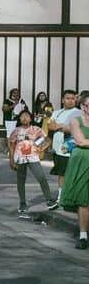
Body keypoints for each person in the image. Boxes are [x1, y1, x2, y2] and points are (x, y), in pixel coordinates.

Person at [7, 109, 58, 218]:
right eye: (22, 116)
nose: (25, 118)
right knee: (21, 180)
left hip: (33, 157)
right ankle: (22, 203)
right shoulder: (16, 131)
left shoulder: (36, 129)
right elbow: (11, 146)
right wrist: (11, 160)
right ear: (19, 118)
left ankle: (49, 201)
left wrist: (42, 148)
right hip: (19, 158)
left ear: (31, 118)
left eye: (27, 116)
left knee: (41, 178)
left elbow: (48, 140)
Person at [58, 91, 89, 249]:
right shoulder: (76, 121)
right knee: (83, 198)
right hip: (82, 160)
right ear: (83, 106)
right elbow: (81, 141)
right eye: (88, 105)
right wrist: (83, 142)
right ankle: (83, 235)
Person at [51, 89, 79, 204]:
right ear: (63, 100)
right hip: (57, 148)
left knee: (73, 173)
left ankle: (72, 197)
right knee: (61, 173)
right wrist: (63, 126)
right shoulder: (57, 112)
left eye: (73, 98)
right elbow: (51, 126)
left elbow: (74, 128)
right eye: (68, 98)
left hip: (70, 148)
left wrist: (60, 125)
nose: (71, 101)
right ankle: (61, 196)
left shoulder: (78, 112)